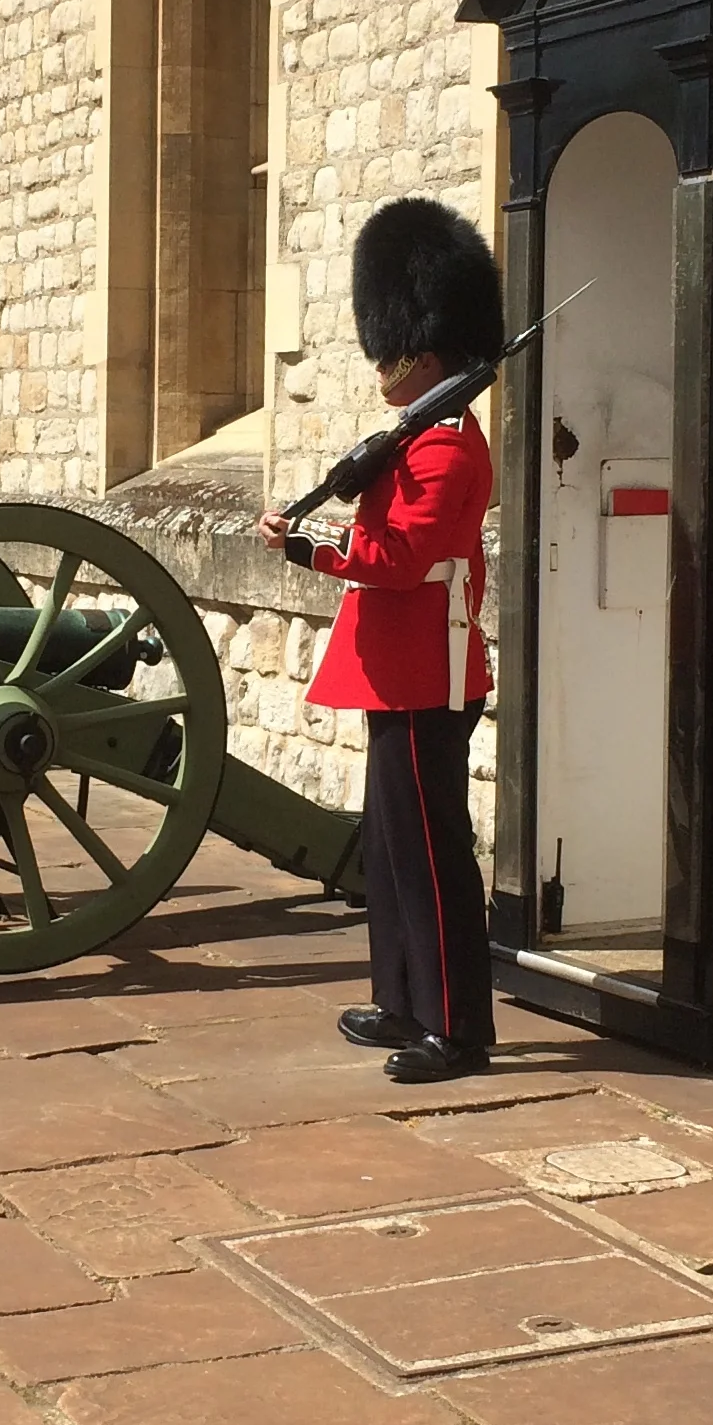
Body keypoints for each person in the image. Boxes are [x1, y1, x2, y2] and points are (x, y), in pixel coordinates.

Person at [260, 197, 502, 1083]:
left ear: (426, 352)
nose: (379, 368)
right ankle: (404, 999)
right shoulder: (412, 440)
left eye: (392, 350)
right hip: (394, 668)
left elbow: (397, 561)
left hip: (428, 673)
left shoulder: (446, 448)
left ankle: (459, 1029)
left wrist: (306, 546)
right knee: (391, 845)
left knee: (434, 857)